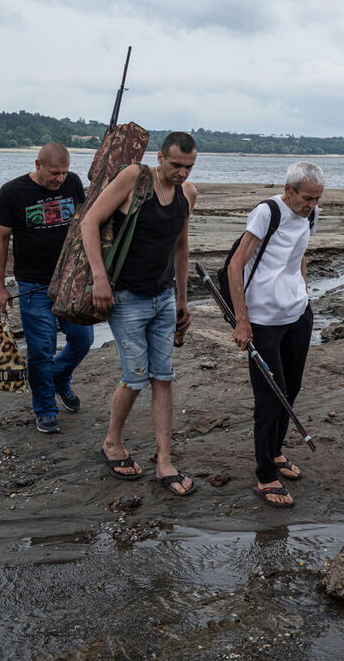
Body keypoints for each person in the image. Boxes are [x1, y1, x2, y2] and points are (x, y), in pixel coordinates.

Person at [81, 132, 198, 496]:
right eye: (176, 165)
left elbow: (181, 246)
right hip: (126, 297)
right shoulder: (135, 177)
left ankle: (164, 463)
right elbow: (89, 223)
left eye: (188, 167)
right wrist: (100, 279)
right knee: (135, 378)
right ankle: (112, 443)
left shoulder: (189, 194)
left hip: (163, 297)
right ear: (160, 156)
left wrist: (182, 298)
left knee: (163, 376)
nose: (181, 173)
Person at [227, 162, 324, 508]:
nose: (311, 205)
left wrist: (302, 292)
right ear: (288, 189)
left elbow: (298, 257)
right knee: (272, 395)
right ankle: (265, 473)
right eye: (307, 198)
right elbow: (234, 265)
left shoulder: (311, 215)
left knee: (291, 388)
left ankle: (277, 450)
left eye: (316, 199)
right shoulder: (267, 212)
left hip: (297, 313)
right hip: (262, 320)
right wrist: (242, 321)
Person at [0, 142, 93, 434]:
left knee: (83, 338)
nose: (60, 179)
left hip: (70, 280)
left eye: (64, 172)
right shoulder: (12, 192)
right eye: (54, 173)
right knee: (40, 349)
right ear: (38, 165)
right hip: (32, 284)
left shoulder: (72, 183)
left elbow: (85, 224)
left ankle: (60, 377)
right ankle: (46, 408)